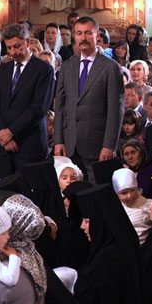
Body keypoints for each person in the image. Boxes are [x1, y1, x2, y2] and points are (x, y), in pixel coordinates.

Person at [74, 183, 148, 304]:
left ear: (100, 222)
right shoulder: (120, 247)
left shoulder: (108, 259)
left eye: (86, 221)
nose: (82, 227)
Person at [54, 16, 124, 183]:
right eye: (79, 33)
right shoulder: (67, 66)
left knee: (97, 196)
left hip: (98, 146)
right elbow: (61, 106)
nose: (83, 38)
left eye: (87, 33)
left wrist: (109, 145)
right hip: (70, 144)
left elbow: (116, 109)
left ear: (97, 34)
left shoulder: (110, 67)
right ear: (74, 36)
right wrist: (59, 141)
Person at [0, 23, 55, 177]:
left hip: (30, 144)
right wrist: (3, 134)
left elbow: (39, 107)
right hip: (3, 147)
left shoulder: (44, 69)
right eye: (9, 48)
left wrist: (12, 132)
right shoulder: (3, 70)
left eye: (17, 46)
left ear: (27, 43)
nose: (13, 52)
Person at [112, 168, 152, 245]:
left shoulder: (150, 205)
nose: (129, 196)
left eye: (133, 190)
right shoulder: (115, 209)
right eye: (124, 193)